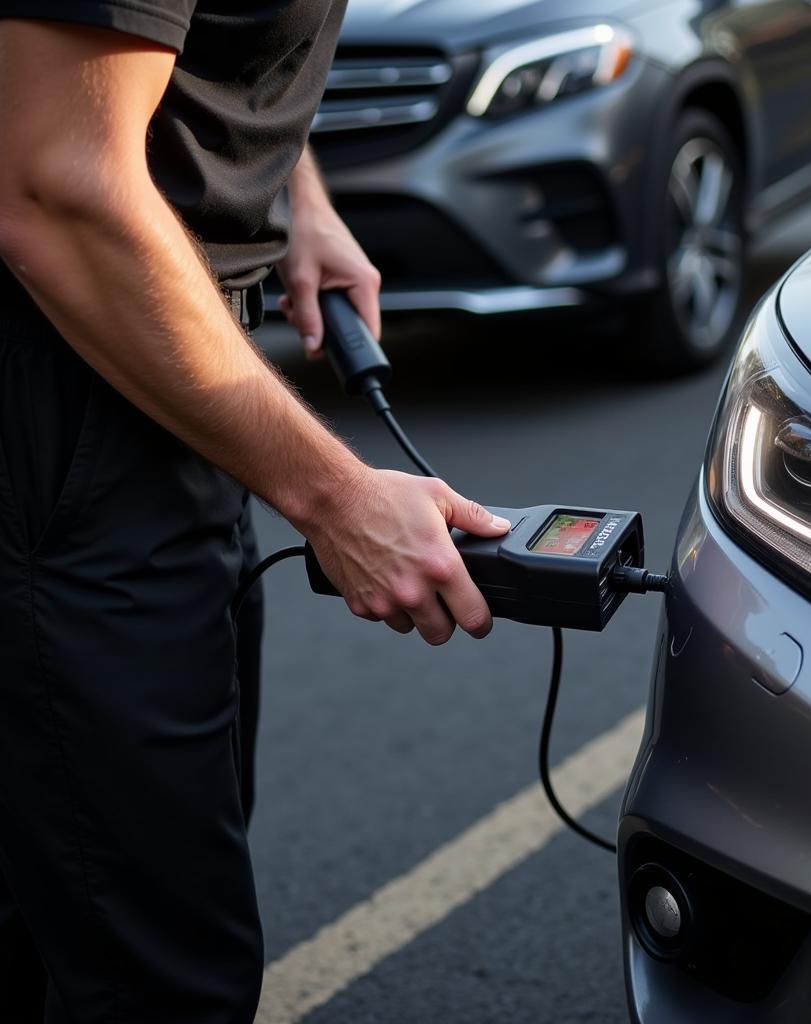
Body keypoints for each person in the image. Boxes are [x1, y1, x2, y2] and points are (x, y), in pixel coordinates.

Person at [0, 3, 509, 1021]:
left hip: (162, 378)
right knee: (156, 974)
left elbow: (208, 46)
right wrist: (334, 494)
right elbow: (57, 183)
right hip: (73, 383)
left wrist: (294, 194)